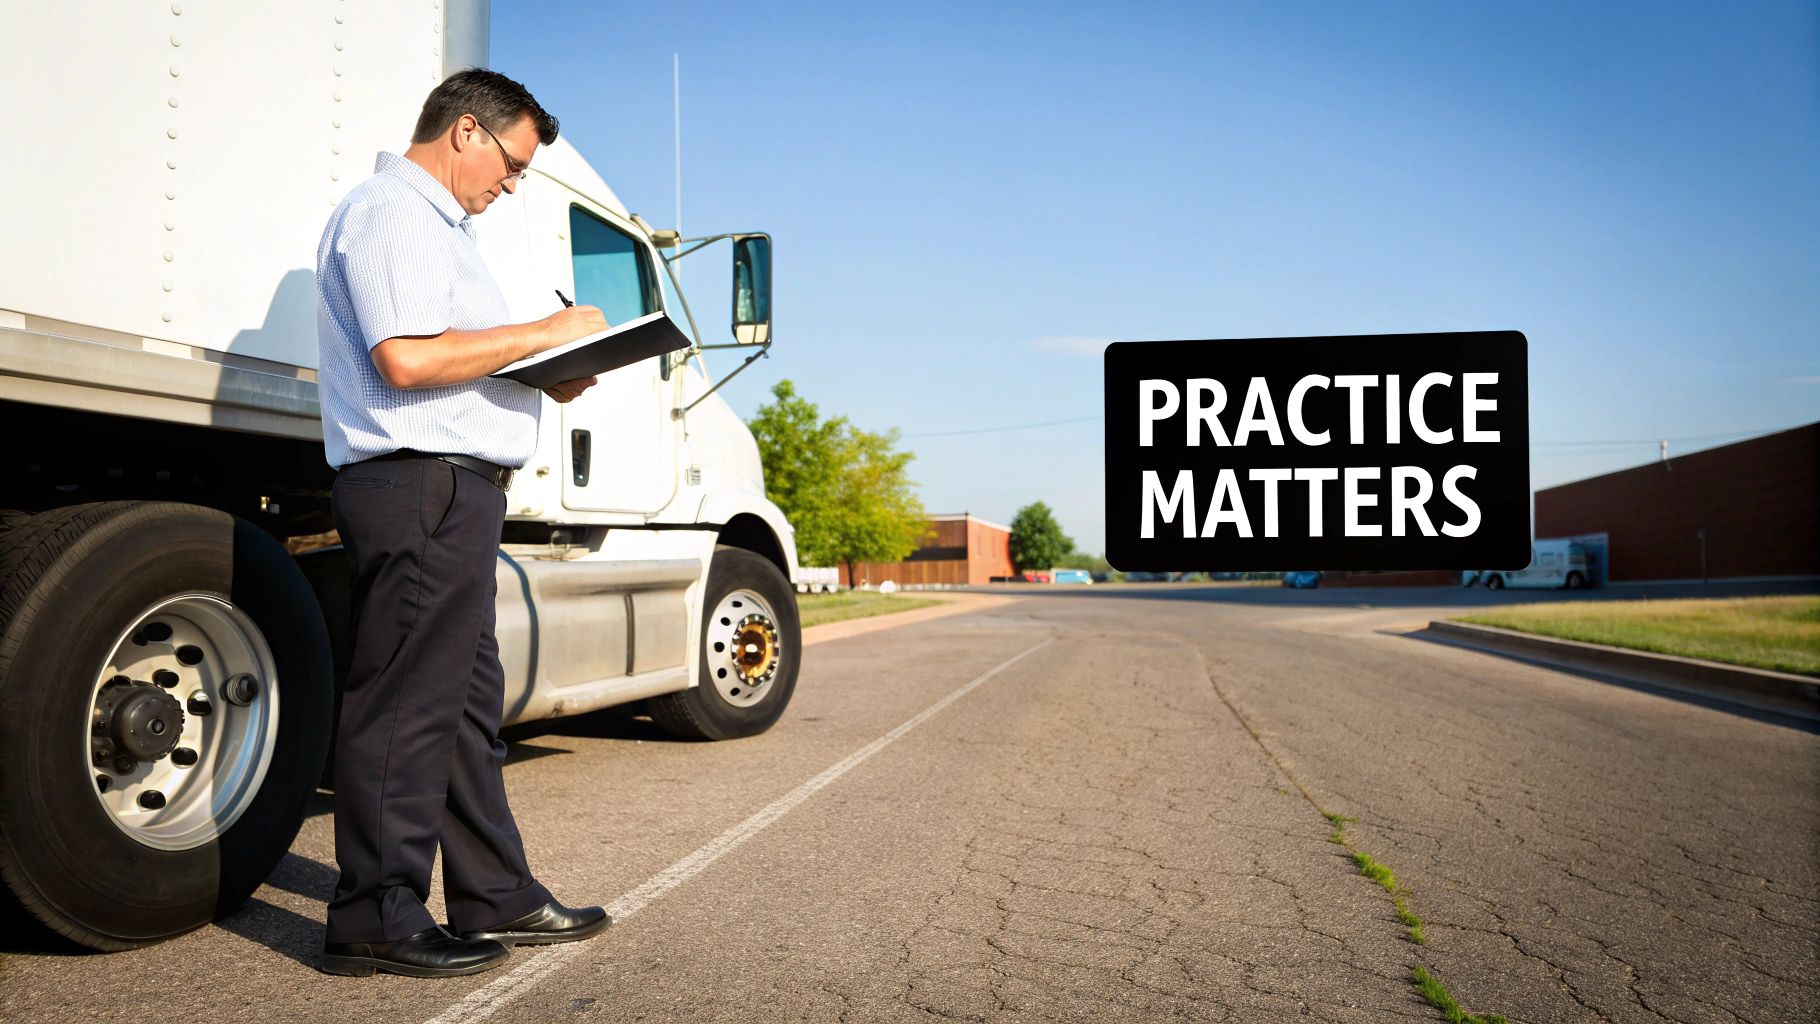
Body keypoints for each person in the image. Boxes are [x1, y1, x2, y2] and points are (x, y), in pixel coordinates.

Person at [314, 68, 610, 979]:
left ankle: (496, 892)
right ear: (469, 131)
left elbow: (454, 357)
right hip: (419, 483)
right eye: (514, 164)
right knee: (407, 704)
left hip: (451, 488)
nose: (511, 183)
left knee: (464, 710)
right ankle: (375, 913)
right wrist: (540, 337)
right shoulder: (393, 211)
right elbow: (404, 361)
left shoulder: (441, 230)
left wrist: (554, 367)